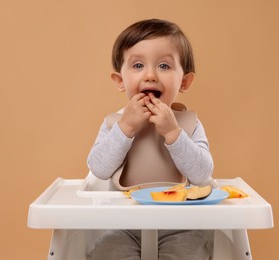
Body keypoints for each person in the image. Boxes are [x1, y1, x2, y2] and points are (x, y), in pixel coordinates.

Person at [87, 18, 214, 260]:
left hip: (179, 226)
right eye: (137, 66)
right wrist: (126, 127)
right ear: (120, 81)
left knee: (189, 254)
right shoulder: (114, 123)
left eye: (164, 66)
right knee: (106, 253)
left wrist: (173, 134)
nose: (150, 75)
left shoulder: (189, 124)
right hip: (123, 225)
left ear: (184, 81)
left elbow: (202, 174)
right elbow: (99, 169)